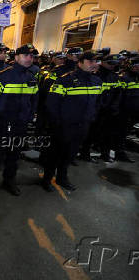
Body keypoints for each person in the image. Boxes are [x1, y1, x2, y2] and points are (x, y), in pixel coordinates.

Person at [41, 51, 102, 192]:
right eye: (90, 61)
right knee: (55, 154)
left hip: (82, 126)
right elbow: (52, 104)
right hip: (64, 126)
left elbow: (97, 103)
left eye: (95, 62)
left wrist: (91, 117)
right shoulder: (65, 80)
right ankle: (47, 179)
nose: (93, 65)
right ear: (80, 63)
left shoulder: (96, 81)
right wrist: (57, 123)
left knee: (70, 154)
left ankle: (62, 178)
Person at [0, 44, 39, 197]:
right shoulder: (4, 75)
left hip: (20, 125)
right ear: (16, 57)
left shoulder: (31, 78)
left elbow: (34, 100)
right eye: (26, 55)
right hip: (3, 124)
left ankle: (9, 181)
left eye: (32, 56)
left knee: (14, 156)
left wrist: (30, 116)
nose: (30, 58)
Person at [117, 56, 139, 163]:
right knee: (120, 133)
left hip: (135, 112)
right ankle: (119, 152)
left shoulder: (137, 77)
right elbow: (120, 96)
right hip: (124, 111)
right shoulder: (124, 77)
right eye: (135, 65)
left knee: (126, 133)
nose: (137, 67)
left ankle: (120, 150)